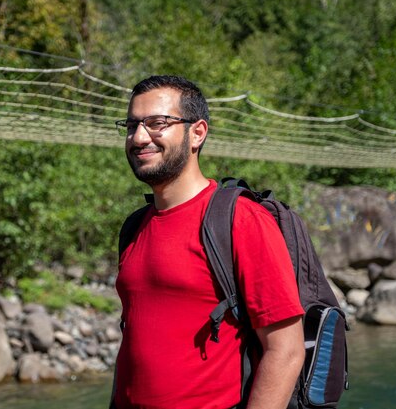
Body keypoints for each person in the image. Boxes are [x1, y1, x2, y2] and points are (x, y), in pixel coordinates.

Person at [112, 75, 305, 409]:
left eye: (157, 123)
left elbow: (286, 350)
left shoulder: (240, 220)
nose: (139, 137)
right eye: (132, 126)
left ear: (197, 133)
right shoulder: (135, 226)